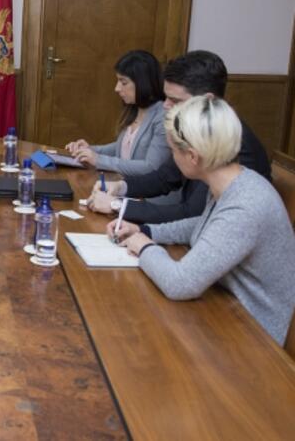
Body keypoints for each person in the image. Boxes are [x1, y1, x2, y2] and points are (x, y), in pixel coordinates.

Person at [108, 96, 295, 345]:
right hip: (226, 309)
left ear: (193, 157)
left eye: (173, 151)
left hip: (255, 339)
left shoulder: (245, 204)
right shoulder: (233, 179)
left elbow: (179, 283)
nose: (172, 158)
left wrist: (144, 246)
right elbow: (204, 226)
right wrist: (144, 230)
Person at [88, 50, 271, 223]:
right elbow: (166, 177)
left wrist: (118, 205)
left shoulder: (236, 144)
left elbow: (193, 214)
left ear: (207, 101)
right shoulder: (198, 128)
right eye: (166, 98)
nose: (165, 106)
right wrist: (121, 187)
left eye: (175, 101)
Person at [65, 50, 170, 175]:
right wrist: (88, 150)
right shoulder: (134, 108)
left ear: (144, 82)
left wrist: (99, 160)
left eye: (123, 82)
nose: (117, 88)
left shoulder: (163, 116)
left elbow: (151, 167)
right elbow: (123, 148)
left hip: (145, 193)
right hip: (122, 184)